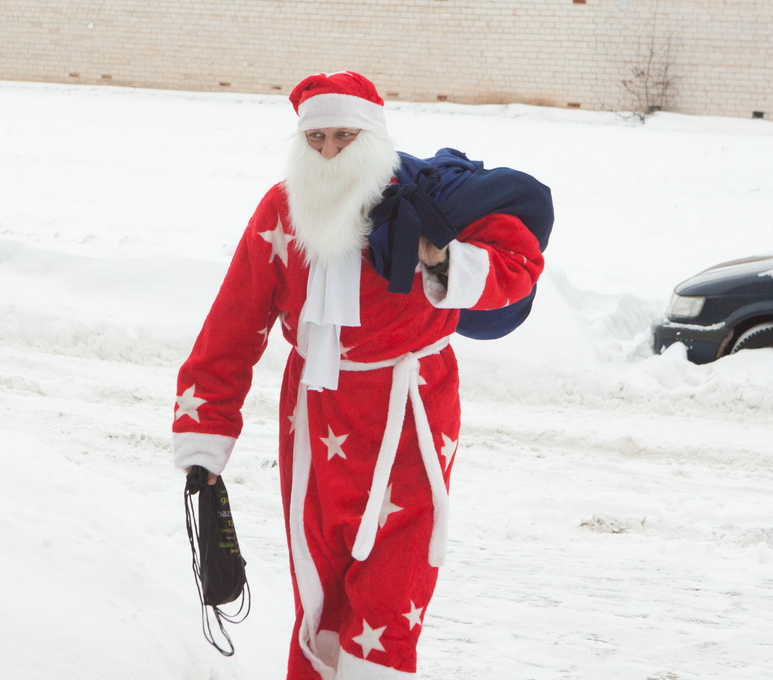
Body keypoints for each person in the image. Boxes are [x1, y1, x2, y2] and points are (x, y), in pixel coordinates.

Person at [173, 71, 544, 680]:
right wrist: (205, 434)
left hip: (410, 409)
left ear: (372, 137)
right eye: (315, 138)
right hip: (314, 413)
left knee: (391, 596)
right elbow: (234, 324)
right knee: (319, 587)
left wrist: (445, 258)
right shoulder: (280, 210)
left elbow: (519, 267)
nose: (328, 152)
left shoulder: (424, 204)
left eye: (344, 136)